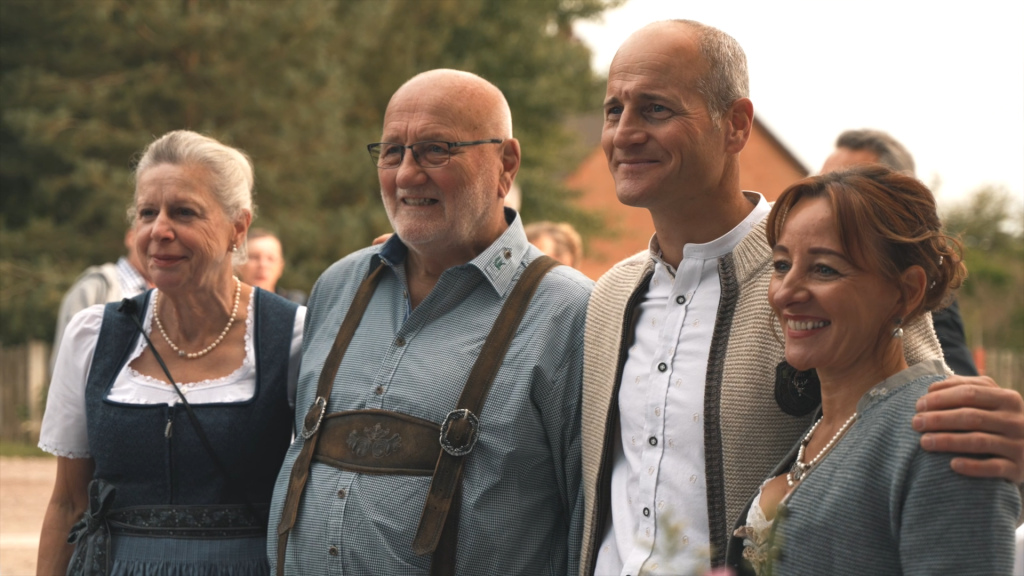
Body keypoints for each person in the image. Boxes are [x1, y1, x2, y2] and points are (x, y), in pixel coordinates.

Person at [579, 20, 1024, 576]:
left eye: (656, 109)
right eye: (614, 110)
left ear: (737, 124)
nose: (625, 133)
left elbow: (935, 440)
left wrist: (1008, 445)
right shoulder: (606, 298)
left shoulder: (846, 276)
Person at [268, 69, 591, 575]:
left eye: (436, 149)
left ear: (506, 164)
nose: (406, 175)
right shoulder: (339, 287)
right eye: (392, 151)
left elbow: (588, 522)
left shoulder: (567, 312)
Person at [725, 165, 1019, 575]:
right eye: (781, 265)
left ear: (906, 292)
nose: (786, 292)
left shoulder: (942, 432)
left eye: (824, 269)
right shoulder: (827, 424)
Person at [37, 130, 305, 575]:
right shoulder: (93, 335)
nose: (159, 230)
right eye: (147, 212)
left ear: (237, 227)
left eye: (183, 212)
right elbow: (68, 503)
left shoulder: (292, 336)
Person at [821, 129, 977, 376]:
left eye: (848, 189)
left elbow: (955, 375)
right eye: (821, 184)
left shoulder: (921, 290)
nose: (824, 200)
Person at [50, 228, 150, 372]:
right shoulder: (95, 288)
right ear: (130, 237)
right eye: (148, 233)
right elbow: (66, 366)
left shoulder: (171, 296)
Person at [238, 228, 307, 305]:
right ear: (240, 264)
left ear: (280, 267)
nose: (262, 264)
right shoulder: (226, 308)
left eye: (271, 258)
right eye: (254, 257)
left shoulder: (297, 305)